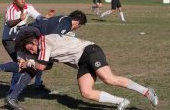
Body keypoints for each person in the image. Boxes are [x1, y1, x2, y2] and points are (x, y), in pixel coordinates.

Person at [15, 33, 158, 110]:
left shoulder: (43, 42)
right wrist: (28, 61)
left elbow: (40, 67)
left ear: (34, 41)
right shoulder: (43, 48)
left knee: (108, 79)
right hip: (82, 61)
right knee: (86, 92)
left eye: (30, 48)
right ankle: (122, 101)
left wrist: (27, 63)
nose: (31, 51)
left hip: (89, 51)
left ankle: (147, 91)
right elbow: (46, 66)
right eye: (28, 51)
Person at [0, 10, 87, 109]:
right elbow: (53, 38)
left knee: (31, 66)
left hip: (27, 34)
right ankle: (10, 96)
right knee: (34, 67)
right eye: (79, 26)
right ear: (77, 22)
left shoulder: (62, 18)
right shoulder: (67, 22)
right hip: (30, 37)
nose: (77, 28)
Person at [0, 0, 44, 93]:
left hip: (21, 40)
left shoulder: (29, 7)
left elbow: (39, 18)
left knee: (39, 57)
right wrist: (20, 19)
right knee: (19, 64)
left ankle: (37, 83)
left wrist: (46, 19)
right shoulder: (11, 10)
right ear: (14, 1)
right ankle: (11, 91)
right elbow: (9, 23)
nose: (23, 1)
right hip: (9, 40)